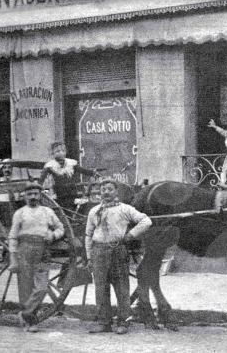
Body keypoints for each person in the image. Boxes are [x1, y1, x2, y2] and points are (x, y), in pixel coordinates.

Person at [85, 179, 152, 335]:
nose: (106, 192)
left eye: (109, 189)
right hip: (98, 251)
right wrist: (89, 257)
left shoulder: (125, 209)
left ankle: (123, 322)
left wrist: (130, 235)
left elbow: (146, 221)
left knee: (121, 287)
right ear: (100, 193)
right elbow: (88, 234)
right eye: (103, 190)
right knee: (101, 288)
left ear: (116, 192)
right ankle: (104, 323)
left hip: (118, 250)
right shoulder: (94, 211)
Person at [7, 181, 65, 332]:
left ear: (40, 195)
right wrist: (13, 258)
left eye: (35, 194)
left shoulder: (47, 211)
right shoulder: (19, 213)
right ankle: (31, 322)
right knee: (25, 287)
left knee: (42, 287)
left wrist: (53, 235)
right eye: (29, 194)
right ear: (25, 196)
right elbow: (12, 236)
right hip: (24, 249)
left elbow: (61, 228)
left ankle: (25, 314)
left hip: (42, 249)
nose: (33, 196)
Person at [39, 141, 100, 208]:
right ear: (52, 154)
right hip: (59, 192)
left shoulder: (70, 163)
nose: (61, 153)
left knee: (73, 204)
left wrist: (92, 173)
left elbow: (82, 170)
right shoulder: (50, 165)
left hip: (72, 190)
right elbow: (42, 177)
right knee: (63, 205)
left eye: (63, 151)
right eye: (58, 151)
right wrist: (39, 186)